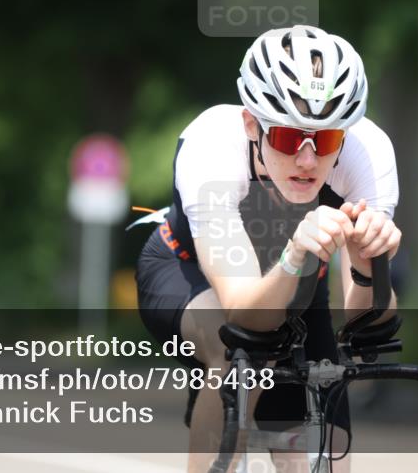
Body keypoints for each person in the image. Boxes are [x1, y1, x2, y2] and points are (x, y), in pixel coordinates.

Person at [135, 25, 402, 472]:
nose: (306, 159)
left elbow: (364, 325)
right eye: (285, 137)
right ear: (250, 124)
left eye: (327, 140)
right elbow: (243, 313)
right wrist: (294, 254)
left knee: (323, 434)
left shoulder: (368, 155)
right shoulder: (211, 149)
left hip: (299, 283)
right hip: (187, 272)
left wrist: (369, 268)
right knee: (242, 358)